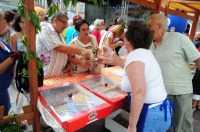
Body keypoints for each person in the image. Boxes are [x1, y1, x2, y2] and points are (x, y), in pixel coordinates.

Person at [101, 21, 172, 132]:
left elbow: (139, 91)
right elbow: (128, 68)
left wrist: (132, 125)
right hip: (160, 112)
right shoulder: (144, 53)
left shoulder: (135, 56)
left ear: (130, 40)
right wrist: (112, 54)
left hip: (150, 114)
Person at [148, 14, 200, 132]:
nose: (148, 29)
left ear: (160, 27)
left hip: (179, 93)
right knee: (163, 126)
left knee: (182, 127)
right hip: (159, 93)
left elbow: (198, 59)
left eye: (150, 26)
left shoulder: (179, 38)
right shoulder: (149, 43)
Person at [36, 12, 90, 78]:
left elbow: (62, 53)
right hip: (45, 77)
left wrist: (66, 63)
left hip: (56, 77)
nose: (66, 26)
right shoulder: (46, 30)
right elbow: (59, 48)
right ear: (55, 20)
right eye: (64, 23)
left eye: (66, 23)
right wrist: (81, 51)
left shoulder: (58, 34)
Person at [0, 9, 22, 116]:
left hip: (3, 90)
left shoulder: (1, 40)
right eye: (1, 19)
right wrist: (12, 58)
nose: (4, 22)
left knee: (5, 115)